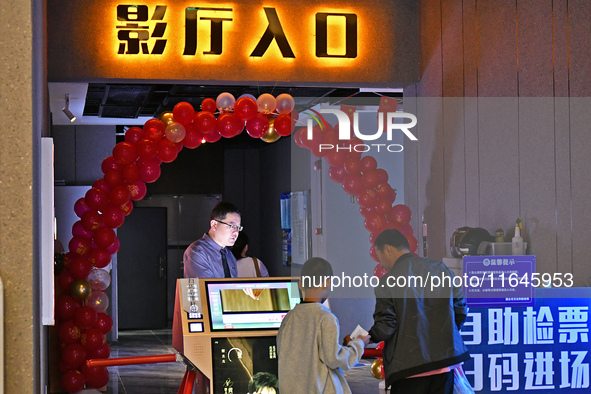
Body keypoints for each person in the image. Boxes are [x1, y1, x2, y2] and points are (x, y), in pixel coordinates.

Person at [368, 229, 470, 393]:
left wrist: (367, 337)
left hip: (408, 370)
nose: (381, 264)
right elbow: (460, 309)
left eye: (380, 257)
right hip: (444, 366)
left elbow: (386, 327)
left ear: (388, 249)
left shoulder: (387, 282)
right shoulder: (441, 269)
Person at [277, 257, 369, 394]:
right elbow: (334, 359)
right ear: (327, 284)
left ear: (301, 284)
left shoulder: (289, 318)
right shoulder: (326, 318)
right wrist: (359, 344)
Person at [183, 201, 242, 278]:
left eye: (238, 228)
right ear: (214, 225)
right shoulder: (197, 252)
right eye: (232, 226)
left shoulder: (228, 254)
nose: (236, 232)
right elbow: (204, 287)